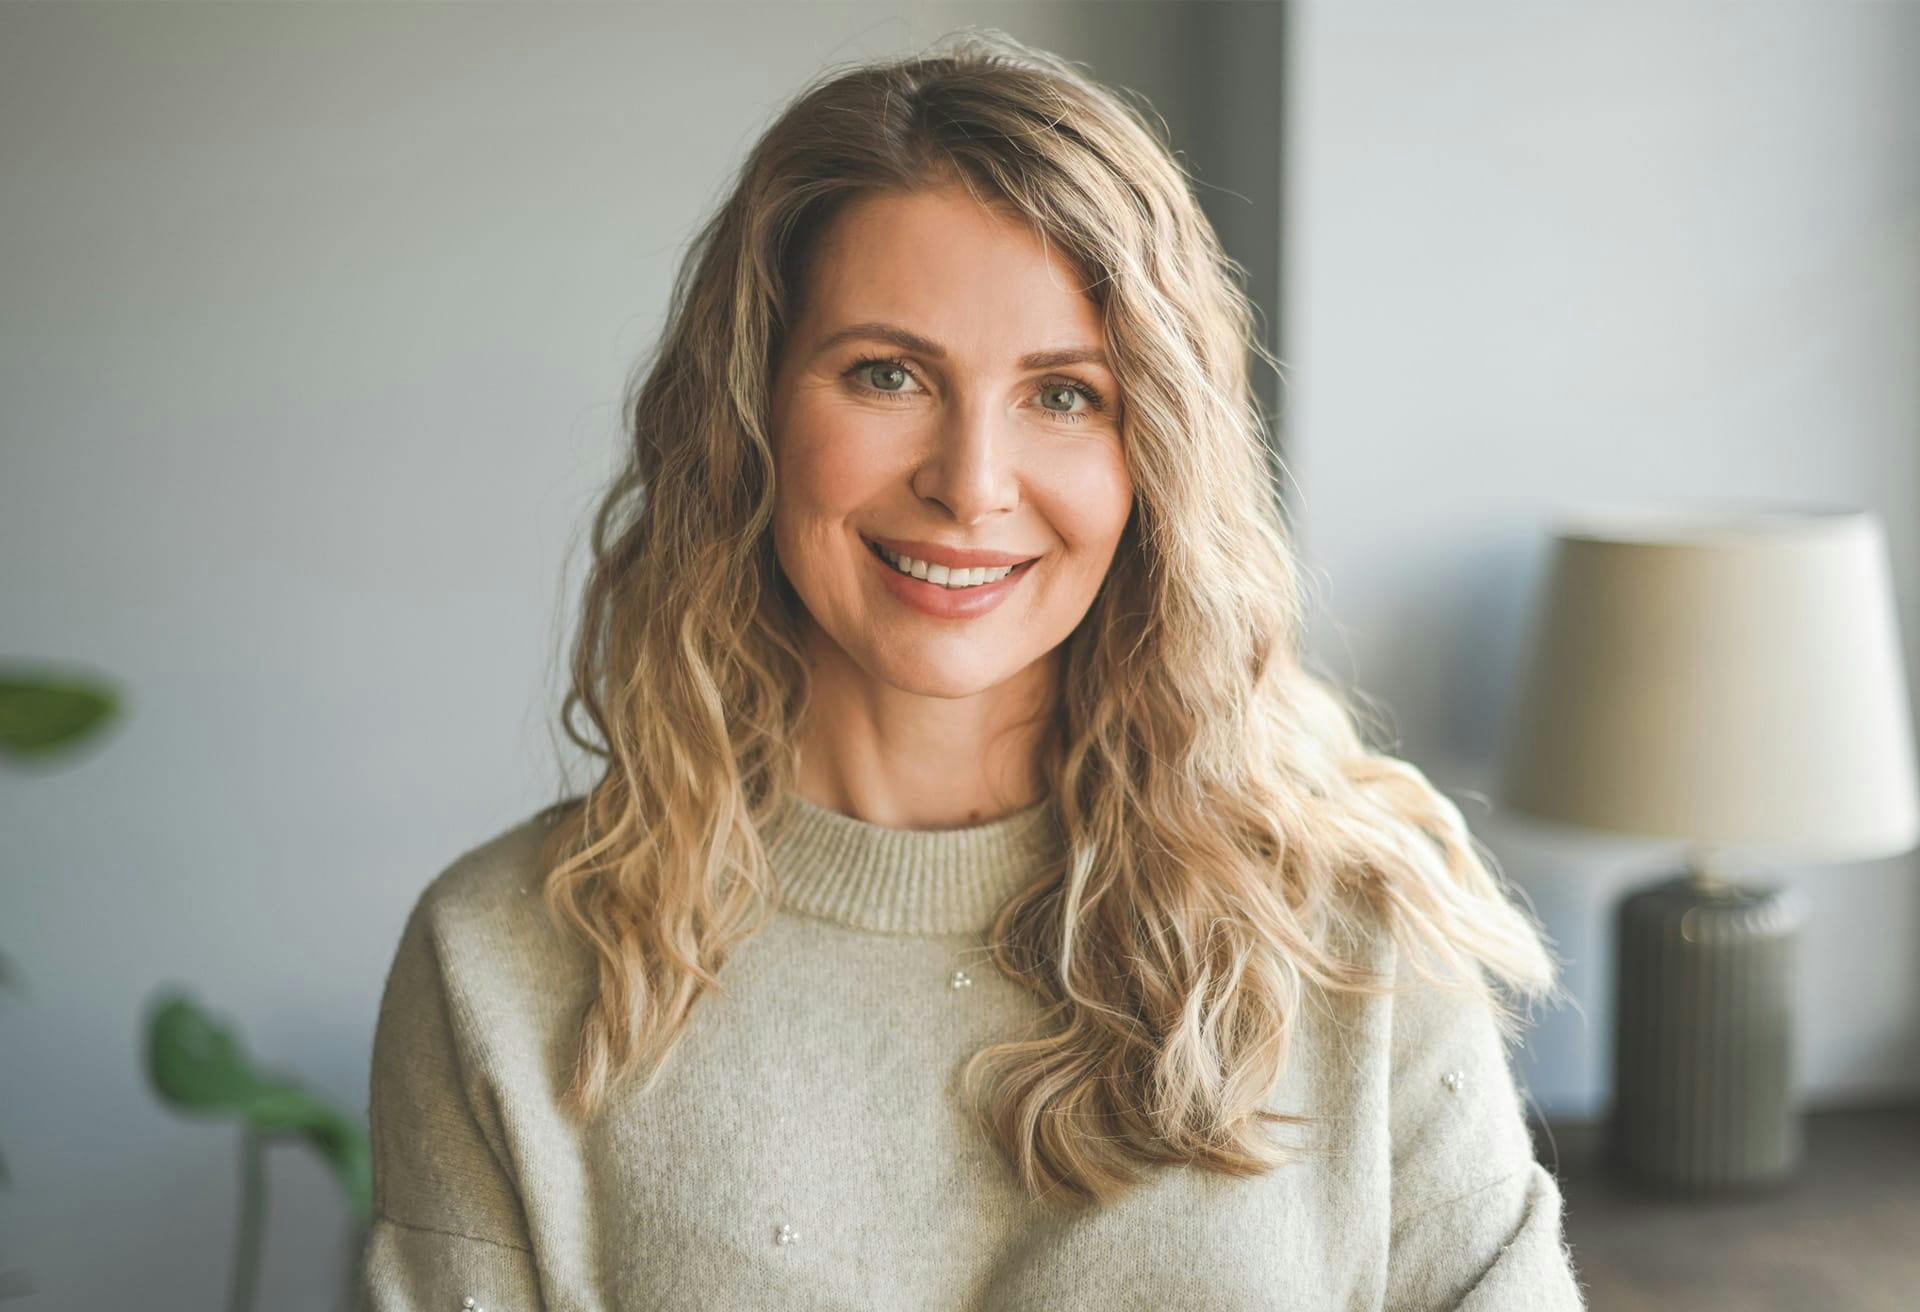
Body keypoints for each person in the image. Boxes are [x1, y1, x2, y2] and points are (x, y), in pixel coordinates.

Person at [359, 28, 1587, 1312]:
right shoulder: (501, 964)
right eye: (887, 374)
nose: (971, 484)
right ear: (752, 413)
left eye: (1064, 395)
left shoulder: (1359, 930)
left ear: (1152, 454)